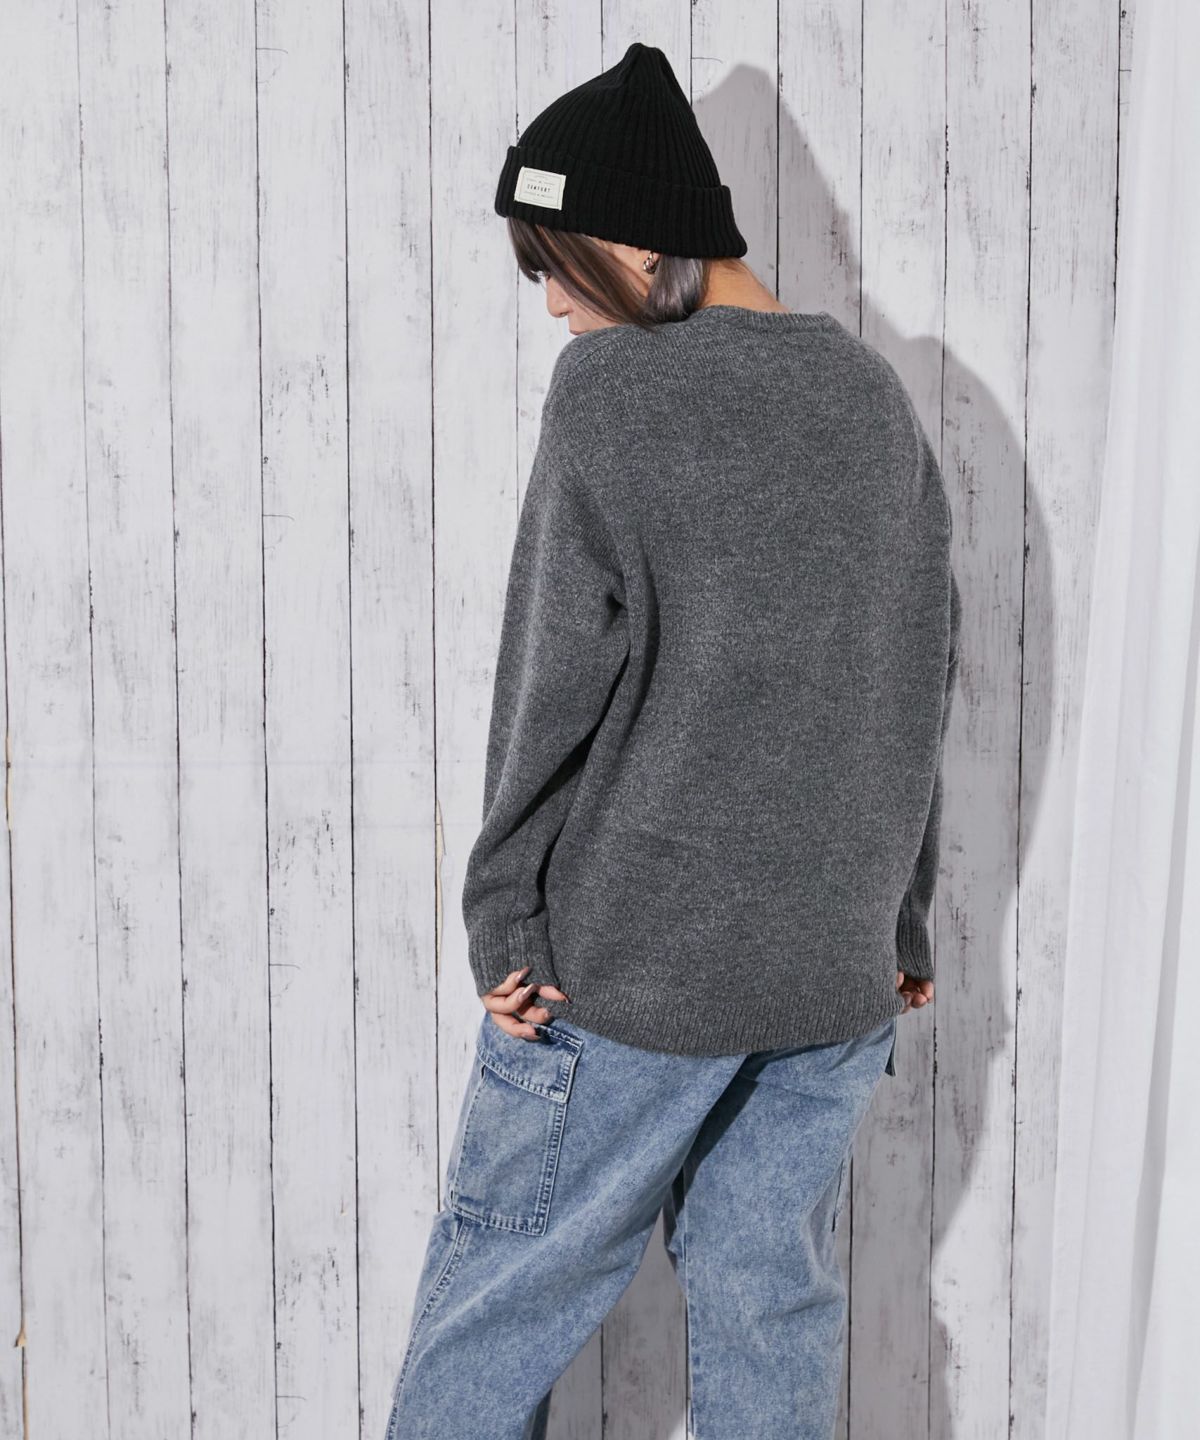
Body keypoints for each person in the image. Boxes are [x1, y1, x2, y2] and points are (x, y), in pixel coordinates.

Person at [384, 40, 960, 1440]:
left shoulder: (613, 396)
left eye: (558, 269)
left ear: (640, 244)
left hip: (632, 968)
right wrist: (901, 921)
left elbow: (549, 686)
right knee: (771, 1308)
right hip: (830, 977)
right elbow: (910, 676)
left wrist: (503, 917)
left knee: (497, 1302)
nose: (554, 308)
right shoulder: (876, 401)